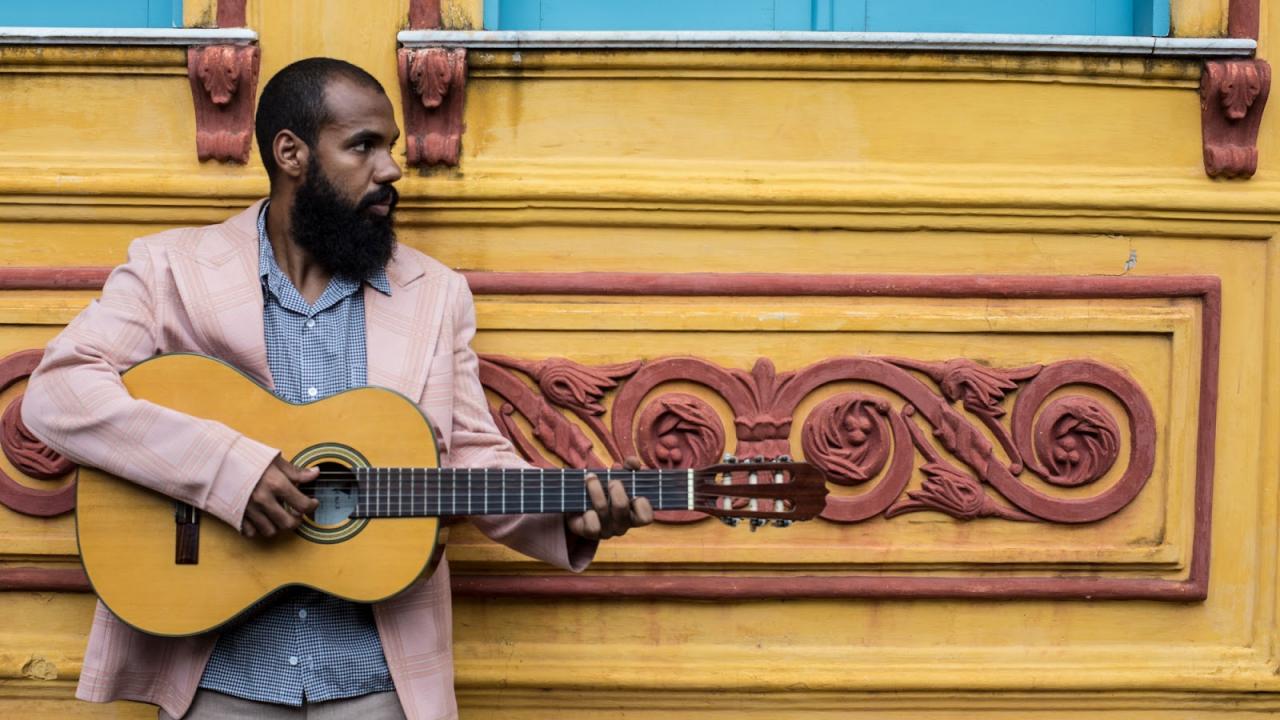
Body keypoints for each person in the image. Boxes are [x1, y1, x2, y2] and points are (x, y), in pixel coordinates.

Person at [21, 57, 653, 720]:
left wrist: (571, 511)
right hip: (217, 672)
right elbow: (59, 394)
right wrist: (226, 471)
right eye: (364, 146)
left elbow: (466, 459)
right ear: (291, 153)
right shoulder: (169, 269)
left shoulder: (435, 294)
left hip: (375, 681)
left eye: (392, 148)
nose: (391, 170)